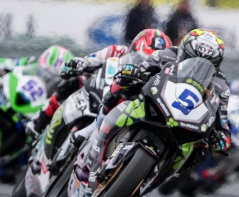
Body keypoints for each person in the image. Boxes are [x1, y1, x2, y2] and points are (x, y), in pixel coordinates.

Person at [76, 29, 233, 190]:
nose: (196, 67)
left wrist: (222, 137)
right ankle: (98, 124)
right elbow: (144, 66)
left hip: (186, 123)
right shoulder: (167, 54)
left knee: (199, 149)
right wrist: (135, 72)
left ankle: (149, 185)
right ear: (183, 52)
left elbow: (223, 120)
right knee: (123, 83)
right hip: (155, 101)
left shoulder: (221, 85)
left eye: (205, 64)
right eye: (191, 58)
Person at [26, 29, 171, 137]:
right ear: (134, 47)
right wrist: (82, 63)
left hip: (121, 107)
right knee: (74, 81)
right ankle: (41, 119)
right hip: (98, 90)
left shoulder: (160, 78)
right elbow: (93, 59)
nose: (143, 64)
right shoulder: (119, 51)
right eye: (141, 58)